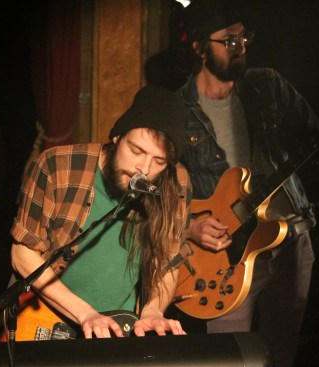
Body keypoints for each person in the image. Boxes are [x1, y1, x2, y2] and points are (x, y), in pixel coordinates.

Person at [170, 1, 319, 367]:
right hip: (226, 255)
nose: (241, 48)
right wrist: (189, 227)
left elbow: (316, 146)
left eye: (244, 38)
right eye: (229, 41)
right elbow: (161, 191)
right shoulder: (178, 110)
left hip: (287, 239)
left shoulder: (268, 85)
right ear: (200, 49)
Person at [10, 85, 193, 338]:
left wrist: (153, 311)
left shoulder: (177, 184)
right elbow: (22, 253)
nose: (144, 168)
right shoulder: (57, 166)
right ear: (117, 136)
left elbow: (168, 262)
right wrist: (85, 313)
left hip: (117, 330)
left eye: (159, 161)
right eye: (136, 151)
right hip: (45, 321)